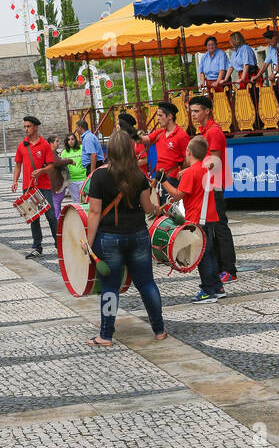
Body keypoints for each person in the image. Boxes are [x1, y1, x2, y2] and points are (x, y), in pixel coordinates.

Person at [84, 129, 167, 347]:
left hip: (109, 239)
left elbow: (94, 212)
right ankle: (159, 330)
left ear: (109, 150)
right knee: (147, 283)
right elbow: (148, 207)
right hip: (138, 235)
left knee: (110, 288)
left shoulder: (100, 176)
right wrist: (157, 208)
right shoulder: (138, 176)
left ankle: (106, 335)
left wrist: (88, 243)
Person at [166, 137, 226, 303]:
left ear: (189, 153)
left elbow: (178, 194)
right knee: (210, 252)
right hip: (209, 215)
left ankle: (207, 291)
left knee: (202, 255)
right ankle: (217, 286)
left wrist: (163, 181)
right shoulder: (205, 169)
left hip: (197, 217)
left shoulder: (191, 172)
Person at [187, 93, 237, 283]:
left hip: (214, 183)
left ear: (207, 111)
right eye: (191, 111)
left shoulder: (213, 131)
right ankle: (219, 267)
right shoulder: (204, 131)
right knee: (211, 227)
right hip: (207, 185)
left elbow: (213, 162)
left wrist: (192, 170)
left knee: (219, 227)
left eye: (197, 111)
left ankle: (229, 269)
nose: (193, 115)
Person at [11, 115, 58, 258]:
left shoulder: (44, 145)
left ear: (36, 127)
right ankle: (37, 246)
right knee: (33, 217)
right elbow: (18, 165)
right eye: (25, 126)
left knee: (50, 216)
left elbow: (51, 166)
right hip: (28, 187)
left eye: (28, 126)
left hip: (44, 186)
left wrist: (42, 171)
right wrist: (15, 181)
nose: (26, 129)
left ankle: (59, 244)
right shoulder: (21, 145)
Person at [139, 102, 189, 206]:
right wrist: (129, 131)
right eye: (157, 115)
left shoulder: (181, 135)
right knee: (162, 212)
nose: (157, 118)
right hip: (160, 179)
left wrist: (183, 172)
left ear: (170, 116)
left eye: (160, 115)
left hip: (173, 180)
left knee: (171, 212)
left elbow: (188, 159)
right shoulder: (160, 133)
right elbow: (143, 140)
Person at [47, 136, 71, 223]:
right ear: (51, 143)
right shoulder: (51, 152)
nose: (58, 143)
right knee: (56, 202)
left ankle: (57, 219)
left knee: (56, 202)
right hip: (55, 183)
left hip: (55, 183)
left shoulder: (53, 152)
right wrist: (69, 161)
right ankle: (57, 221)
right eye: (56, 141)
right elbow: (57, 163)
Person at [59, 131, 86, 204]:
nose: (70, 141)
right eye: (68, 139)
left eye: (72, 139)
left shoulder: (82, 148)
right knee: (76, 200)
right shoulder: (64, 152)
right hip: (71, 180)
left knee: (85, 200)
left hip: (83, 178)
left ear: (75, 140)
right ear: (66, 141)